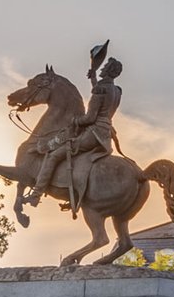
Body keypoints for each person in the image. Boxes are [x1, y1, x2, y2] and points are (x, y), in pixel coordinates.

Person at [30, 47, 122, 207]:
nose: (103, 67)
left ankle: (36, 194)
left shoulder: (100, 90)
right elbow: (101, 95)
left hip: (92, 134)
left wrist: (76, 120)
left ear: (108, 70)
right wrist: (93, 78)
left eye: (105, 66)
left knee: (54, 155)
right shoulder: (116, 90)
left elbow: (90, 117)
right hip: (105, 133)